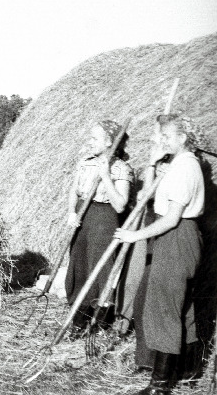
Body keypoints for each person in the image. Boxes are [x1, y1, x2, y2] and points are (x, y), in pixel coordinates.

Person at [115, 115, 206, 395]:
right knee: (180, 307)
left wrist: (134, 236)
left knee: (163, 308)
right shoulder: (177, 164)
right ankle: (188, 372)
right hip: (176, 238)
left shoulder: (185, 168)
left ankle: (160, 385)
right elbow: (151, 197)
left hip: (177, 236)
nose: (161, 140)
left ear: (183, 138)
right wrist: (153, 163)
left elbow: (171, 218)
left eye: (168, 136)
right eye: (160, 135)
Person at [65, 120, 133, 336]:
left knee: (99, 269)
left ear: (109, 142)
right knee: (79, 265)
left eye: (95, 138)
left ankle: (98, 320)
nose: (90, 142)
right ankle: (78, 317)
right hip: (82, 218)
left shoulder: (121, 168)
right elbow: (73, 191)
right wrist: (71, 212)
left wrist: (106, 176)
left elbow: (121, 204)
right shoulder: (85, 162)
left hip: (104, 220)